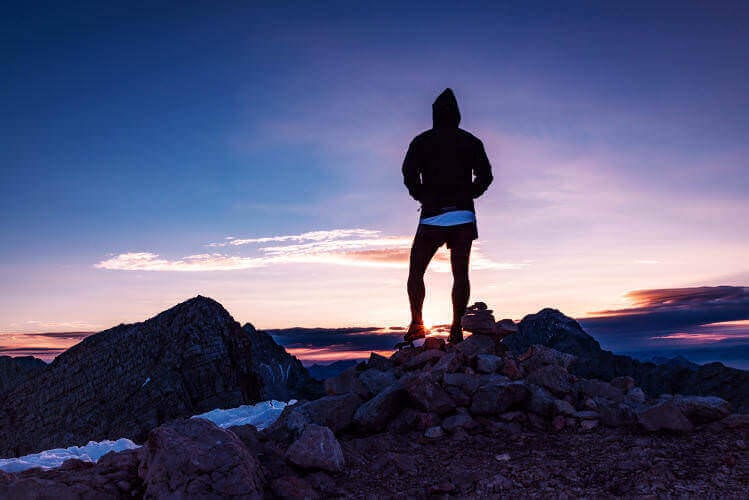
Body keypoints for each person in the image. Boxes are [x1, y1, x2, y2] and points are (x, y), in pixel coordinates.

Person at [401, 88, 494, 344]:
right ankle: (456, 329)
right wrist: (469, 194)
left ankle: (417, 324)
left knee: (416, 272)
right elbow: (486, 176)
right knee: (461, 274)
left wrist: (422, 196)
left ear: (434, 114)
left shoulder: (421, 141)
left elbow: (408, 175)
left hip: (432, 216)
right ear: (457, 115)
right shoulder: (471, 141)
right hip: (463, 216)